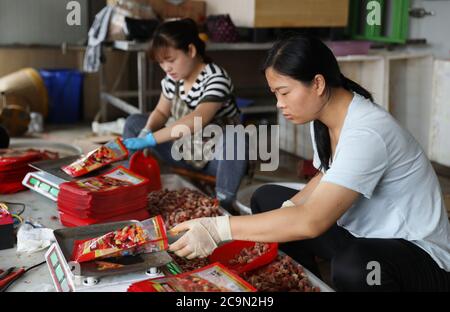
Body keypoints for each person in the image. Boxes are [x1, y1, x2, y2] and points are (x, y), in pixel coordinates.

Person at [168, 35, 450, 292]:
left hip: (418, 255)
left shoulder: (368, 131)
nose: (279, 103)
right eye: (275, 94)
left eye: (284, 92)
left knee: (355, 267)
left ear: (317, 83)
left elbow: (312, 221)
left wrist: (219, 229)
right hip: (363, 233)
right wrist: (290, 208)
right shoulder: (324, 119)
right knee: (268, 199)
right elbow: (325, 175)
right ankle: (307, 284)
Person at [122, 18, 248, 210]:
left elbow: (198, 119)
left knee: (238, 137)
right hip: (181, 150)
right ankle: (131, 187)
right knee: (134, 123)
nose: (166, 68)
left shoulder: (216, 78)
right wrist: (145, 131)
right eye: (162, 63)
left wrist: (151, 139)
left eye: (171, 60)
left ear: (191, 50)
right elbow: (162, 111)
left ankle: (224, 203)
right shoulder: (173, 78)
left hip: (214, 159)